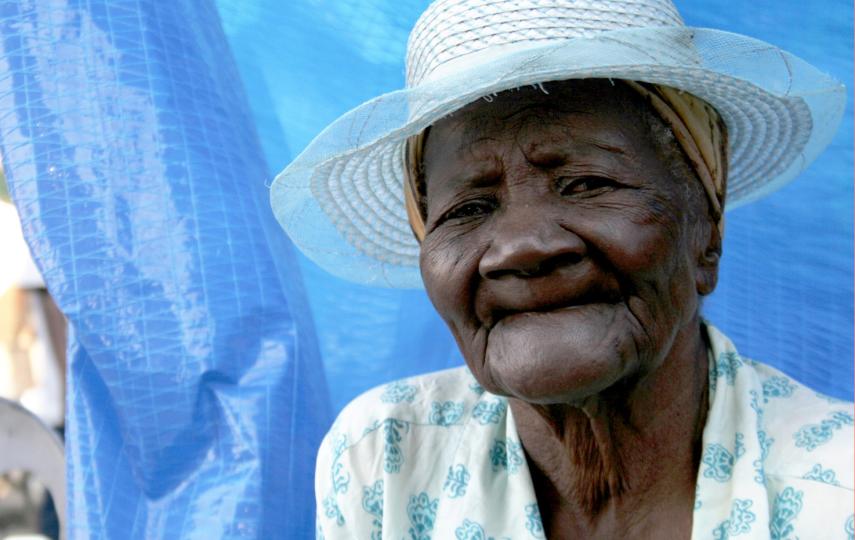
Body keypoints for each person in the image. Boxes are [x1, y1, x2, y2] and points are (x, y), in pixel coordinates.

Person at [271, 0, 854, 538]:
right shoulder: (387, 458)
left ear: (705, 229)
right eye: (469, 209)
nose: (523, 247)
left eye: (587, 184)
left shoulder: (838, 490)